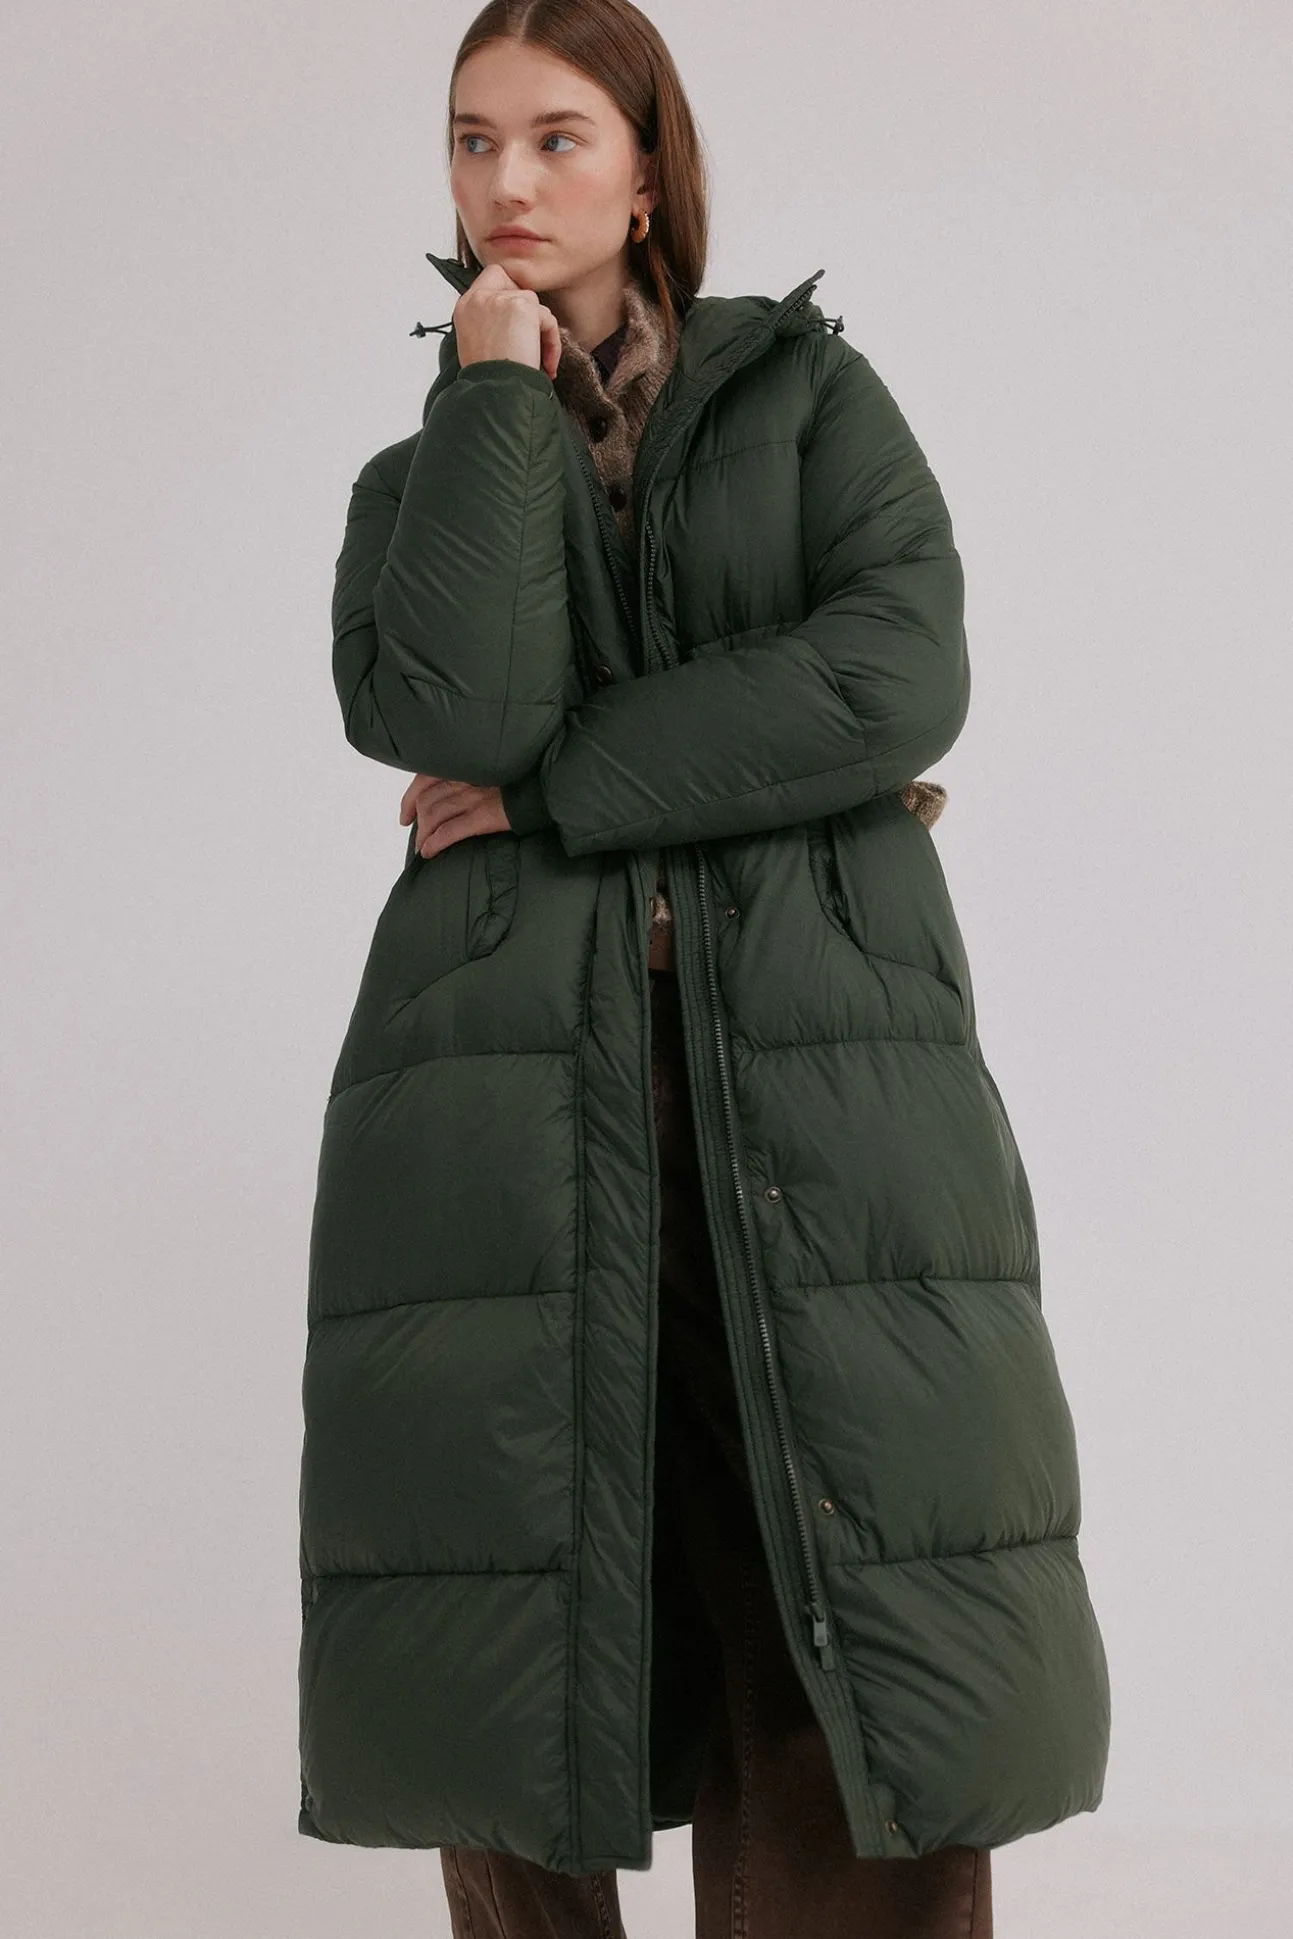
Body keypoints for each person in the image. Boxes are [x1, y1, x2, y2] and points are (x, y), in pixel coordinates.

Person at [296, 3, 1111, 1935]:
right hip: (503, 1084)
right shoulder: (422, 478)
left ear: (649, 167)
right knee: (518, 1595)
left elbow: (893, 674)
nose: (505, 182)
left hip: (815, 1073)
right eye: (472, 140)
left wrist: (563, 788)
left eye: (556, 137)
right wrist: (496, 399)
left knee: (836, 1583)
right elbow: (457, 707)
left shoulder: (811, 400)